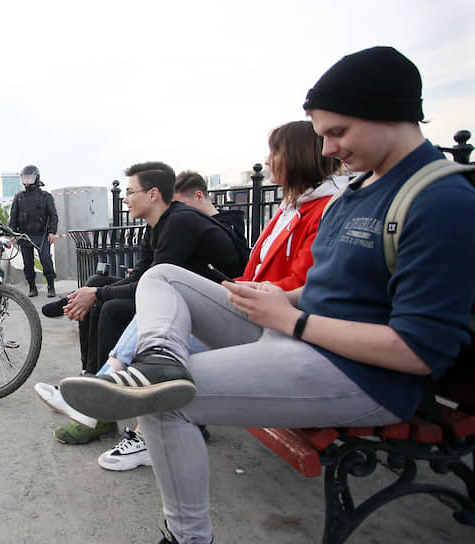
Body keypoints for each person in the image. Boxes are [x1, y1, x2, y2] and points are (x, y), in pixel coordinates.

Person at [58, 46, 475, 543]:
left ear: (388, 111)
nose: (327, 150)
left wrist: (292, 319)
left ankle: (187, 536)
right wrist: (282, 297)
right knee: (161, 277)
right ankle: (159, 356)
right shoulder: (363, 189)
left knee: (165, 401)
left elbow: (419, 352)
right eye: (323, 136)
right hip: (297, 336)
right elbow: (338, 288)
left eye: (337, 132)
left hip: (359, 375)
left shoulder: (441, 199)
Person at [85, 121, 344, 472]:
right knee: (157, 326)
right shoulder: (289, 209)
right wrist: (236, 288)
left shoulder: (324, 210)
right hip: (255, 313)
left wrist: (243, 292)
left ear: (298, 157)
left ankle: (110, 389)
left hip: (273, 325)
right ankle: (119, 402)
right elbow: (254, 273)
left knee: (159, 310)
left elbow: (307, 283)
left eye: (276, 153)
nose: (268, 162)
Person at [38, 162, 246, 445]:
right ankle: (92, 384)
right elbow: (140, 277)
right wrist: (92, 291)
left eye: (130, 191)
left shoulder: (180, 222)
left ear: (153, 194)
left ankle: (99, 398)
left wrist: (97, 295)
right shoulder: (157, 226)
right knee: (100, 289)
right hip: (190, 303)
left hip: (224, 313)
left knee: (110, 305)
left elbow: (155, 285)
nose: (125, 198)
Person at [9, 165, 58, 297]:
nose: (27, 180)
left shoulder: (45, 196)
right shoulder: (19, 197)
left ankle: (51, 286)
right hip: (24, 235)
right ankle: (32, 287)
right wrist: (12, 233)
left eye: (30, 177)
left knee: (46, 260)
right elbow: (13, 217)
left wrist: (52, 232)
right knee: (28, 263)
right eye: (25, 178)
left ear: (36, 178)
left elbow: (53, 215)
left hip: (42, 235)